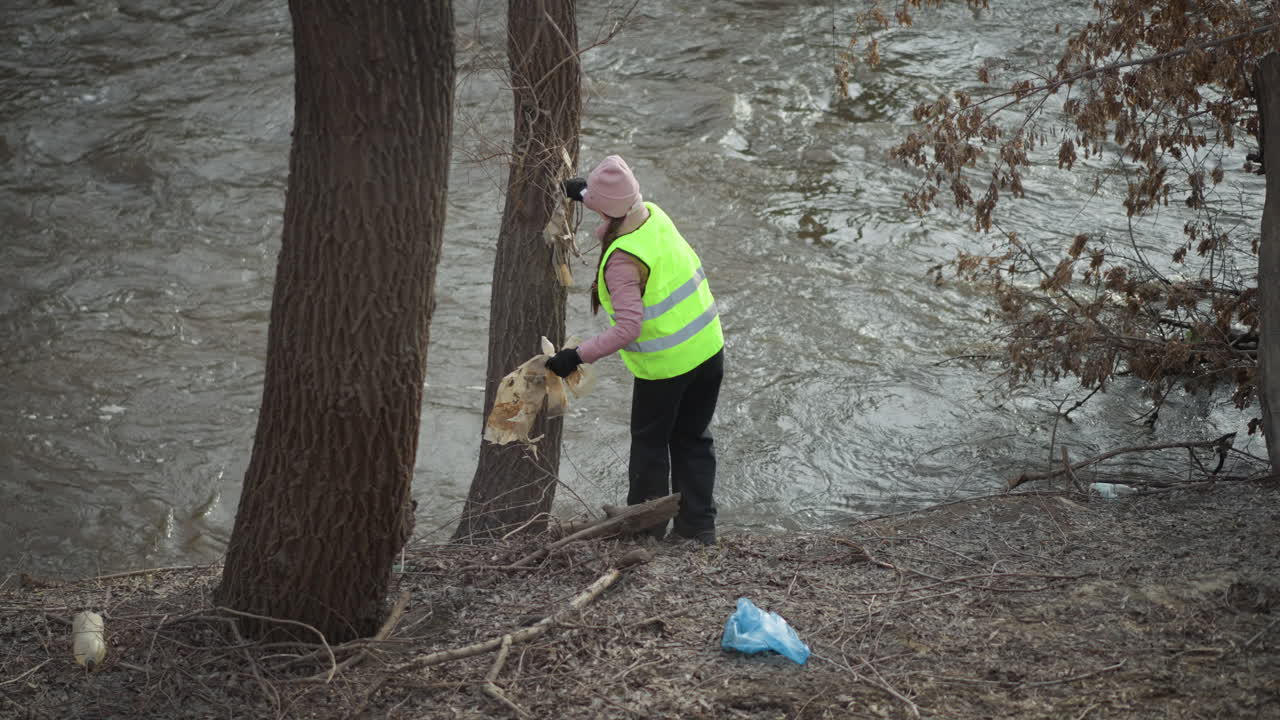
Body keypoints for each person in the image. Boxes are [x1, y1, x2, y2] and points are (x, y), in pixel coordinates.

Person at [546, 155, 725, 546]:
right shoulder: (655, 217)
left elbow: (628, 328)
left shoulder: (623, 260)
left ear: (609, 211)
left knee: (649, 445)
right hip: (709, 349)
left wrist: (575, 357)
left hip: (667, 367)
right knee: (693, 439)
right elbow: (620, 205)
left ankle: (644, 533)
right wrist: (587, 195)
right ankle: (698, 530)